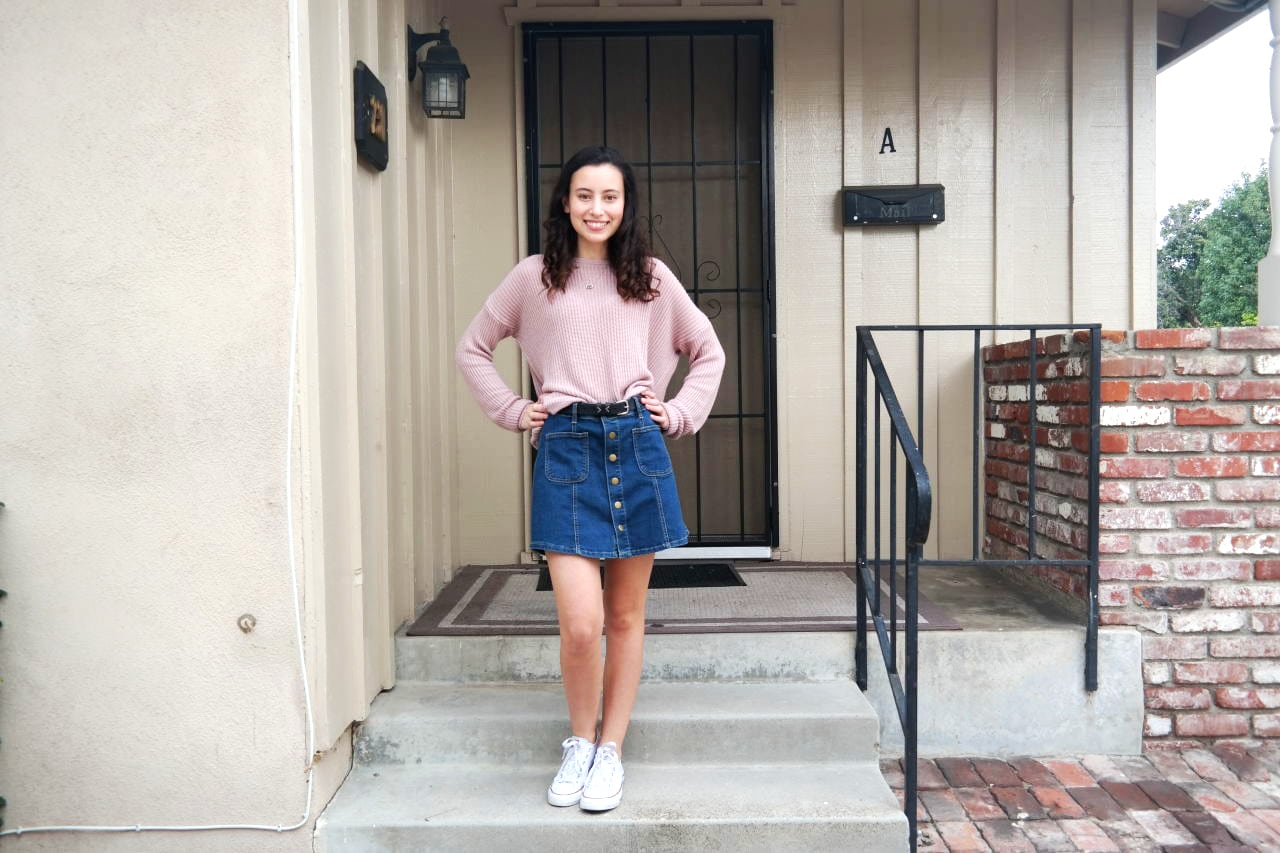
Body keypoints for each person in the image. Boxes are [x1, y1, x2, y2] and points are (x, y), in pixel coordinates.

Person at [455, 145, 725, 812]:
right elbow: (473, 348)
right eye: (584, 195)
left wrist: (683, 410)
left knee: (627, 615)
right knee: (581, 623)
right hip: (567, 447)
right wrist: (518, 410)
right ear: (565, 203)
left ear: (625, 205)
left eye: (609, 196)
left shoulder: (653, 278)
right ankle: (580, 741)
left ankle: (612, 750)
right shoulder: (533, 278)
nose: (596, 208)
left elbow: (707, 348)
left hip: (636, 443)